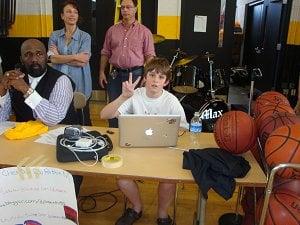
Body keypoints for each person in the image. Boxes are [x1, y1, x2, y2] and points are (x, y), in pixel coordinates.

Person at [101, 57, 188, 225]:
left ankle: (162, 215)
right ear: (145, 77)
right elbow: (104, 115)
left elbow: (184, 128)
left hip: (163, 151)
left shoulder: (171, 100)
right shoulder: (134, 95)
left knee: (169, 179)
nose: (155, 80)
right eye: (152, 75)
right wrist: (123, 97)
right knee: (122, 177)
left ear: (166, 81)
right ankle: (136, 208)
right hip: (136, 149)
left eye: (161, 77)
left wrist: (171, 130)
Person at [0, 39, 82, 196]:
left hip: (59, 143)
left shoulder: (61, 80)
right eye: (28, 55)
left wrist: (26, 89)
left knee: (49, 190)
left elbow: (53, 118)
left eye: (39, 54)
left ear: (46, 57)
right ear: (21, 59)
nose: (34, 59)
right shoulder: (16, 79)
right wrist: (2, 90)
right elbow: (3, 120)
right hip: (26, 143)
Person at [99, 0, 155, 127]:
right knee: (114, 105)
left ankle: (133, 135)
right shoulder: (112, 30)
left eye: (129, 7)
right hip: (115, 75)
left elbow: (149, 56)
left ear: (136, 9)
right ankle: (113, 133)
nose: (125, 10)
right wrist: (101, 72)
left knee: (134, 107)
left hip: (136, 75)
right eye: (122, 7)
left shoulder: (144, 32)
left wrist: (147, 76)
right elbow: (105, 52)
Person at [48, 0, 92, 125]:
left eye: (75, 12)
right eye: (68, 11)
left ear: (78, 16)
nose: (72, 14)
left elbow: (83, 62)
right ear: (62, 16)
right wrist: (75, 56)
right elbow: (51, 59)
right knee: (61, 117)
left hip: (80, 83)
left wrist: (59, 57)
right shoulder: (55, 36)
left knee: (83, 120)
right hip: (59, 83)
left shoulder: (85, 37)